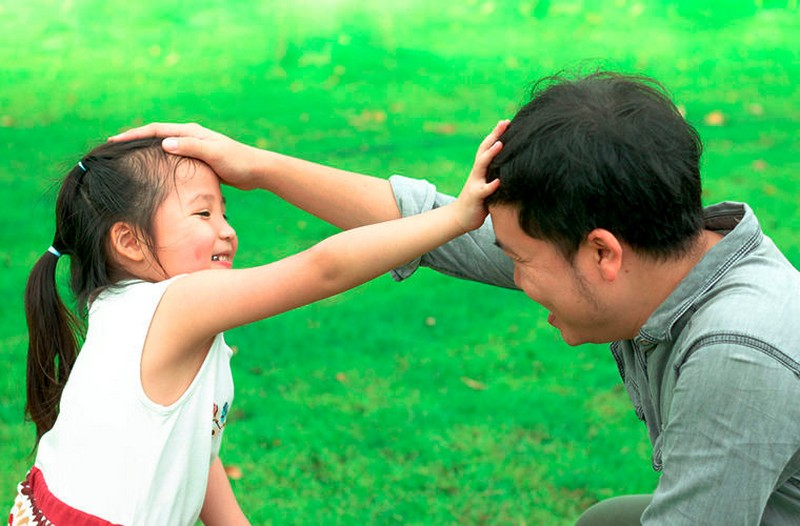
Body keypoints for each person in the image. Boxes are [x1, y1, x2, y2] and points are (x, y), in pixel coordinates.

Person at [113, 70, 800, 525]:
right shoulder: (659, 252)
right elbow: (431, 225)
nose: (515, 278)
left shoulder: (737, 353)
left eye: (520, 260)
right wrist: (257, 166)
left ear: (601, 252)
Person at [10, 129, 503, 526]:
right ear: (130, 243)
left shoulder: (127, 308)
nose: (226, 229)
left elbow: (191, 445)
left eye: (225, 211)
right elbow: (322, 268)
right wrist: (455, 217)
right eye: (203, 212)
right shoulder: (175, 305)